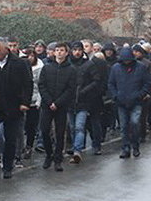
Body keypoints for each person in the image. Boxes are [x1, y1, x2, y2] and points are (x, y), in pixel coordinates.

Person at [0, 37, 32, 179]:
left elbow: (28, 84)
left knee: (10, 137)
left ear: (6, 50)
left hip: (13, 106)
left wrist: (24, 103)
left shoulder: (20, 64)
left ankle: (8, 166)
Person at [108, 47, 151, 159]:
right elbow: (111, 84)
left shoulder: (140, 67)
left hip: (136, 101)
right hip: (121, 102)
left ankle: (135, 145)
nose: (126, 62)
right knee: (123, 126)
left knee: (135, 123)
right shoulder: (116, 68)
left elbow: (147, 83)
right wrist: (115, 95)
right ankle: (125, 148)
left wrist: (140, 95)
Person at [39, 42, 76, 172]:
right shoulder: (47, 68)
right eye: (57, 50)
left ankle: (58, 158)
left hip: (61, 106)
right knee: (44, 130)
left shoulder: (71, 70)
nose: (59, 52)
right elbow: (41, 85)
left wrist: (58, 103)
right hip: (47, 105)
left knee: (60, 133)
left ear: (66, 53)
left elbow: (70, 89)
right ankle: (49, 154)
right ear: (54, 53)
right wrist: (49, 102)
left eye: (62, 50)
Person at [69, 41, 102, 164]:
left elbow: (96, 80)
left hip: (83, 101)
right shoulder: (68, 64)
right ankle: (75, 146)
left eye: (79, 50)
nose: (77, 52)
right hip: (69, 101)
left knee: (79, 127)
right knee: (72, 127)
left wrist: (84, 91)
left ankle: (77, 150)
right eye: (75, 49)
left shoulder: (89, 64)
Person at [23, 47, 44, 160]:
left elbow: (41, 85)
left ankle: (29, 146)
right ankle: (21, 146)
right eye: (27, 56)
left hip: (34, 100)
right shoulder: (22, 66)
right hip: (22, 100)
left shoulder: (40, 67)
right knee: (22, 126)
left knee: (31, 126)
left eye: (31, 56)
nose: (29, 58)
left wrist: (38, 101)